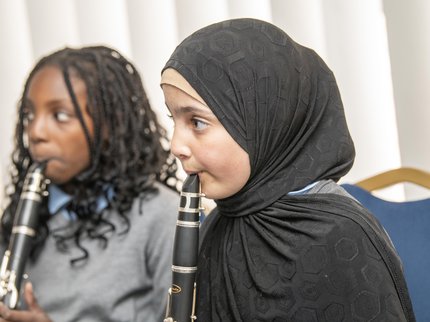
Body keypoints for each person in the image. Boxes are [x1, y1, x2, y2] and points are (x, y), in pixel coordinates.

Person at [160, 18, 416, 321]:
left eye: (197, 123)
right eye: (173, 119)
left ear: (262, 122)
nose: (177, 145)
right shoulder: (218, 226)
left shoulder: (339, 238)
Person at [0, 45, 179, 322]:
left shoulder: (163, 215)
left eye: (60, 115)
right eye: (29, 116)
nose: (35, 132)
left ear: (110, 125)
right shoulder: (24, 216)